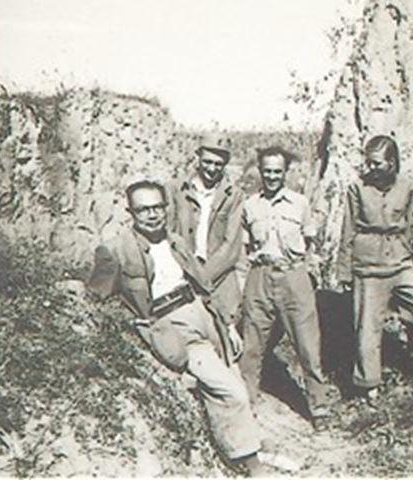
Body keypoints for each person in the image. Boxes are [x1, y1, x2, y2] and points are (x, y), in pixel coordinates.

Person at [87, 180, 268, 475]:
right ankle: (250, 465)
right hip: (173, 324)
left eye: (158, 207)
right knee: (230, 390)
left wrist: (227, 326)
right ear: (130, 211)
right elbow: (98, 296)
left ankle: (248, 449)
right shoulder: (116, 250)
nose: (153, 214)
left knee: (236, 377)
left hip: (203, 314)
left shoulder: (176, 242)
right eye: (144, 209)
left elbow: (204, 286)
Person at [239, 146, 333, 431]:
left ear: (285, 172)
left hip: (294, 276)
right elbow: (245, 248)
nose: (271, 176)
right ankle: (246, 406)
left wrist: (309, 275)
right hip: (260, 276)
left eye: (277, 171)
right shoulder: (249, 206)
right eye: (266, 171)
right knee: (252, 346)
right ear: (259, 170)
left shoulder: (300, 203)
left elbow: (313, 243)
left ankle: (319, 409)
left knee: (308, 346)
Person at [337, 135, 413, 405]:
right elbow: (348, 229)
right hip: (368, 264)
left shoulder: (407, 186)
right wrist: (345, 270)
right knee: (367, 327)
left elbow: (412, 222)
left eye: (377, 163)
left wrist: (412, 254)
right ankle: (369, 385)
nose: (371, 169)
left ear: (392, 163)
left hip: (400, 260)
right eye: (368, 163)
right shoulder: (357, 189)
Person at [167, 133, 245, 324]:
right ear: (198, 158)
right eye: (207, 162)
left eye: (218, 164)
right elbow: (169, 234)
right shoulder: (175, 189)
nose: (212, 168)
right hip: (181, 271)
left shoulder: (234, 196)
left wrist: (202, 278)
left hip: (219, 275)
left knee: (225, 327)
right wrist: (185, 270)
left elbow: (231, 246)